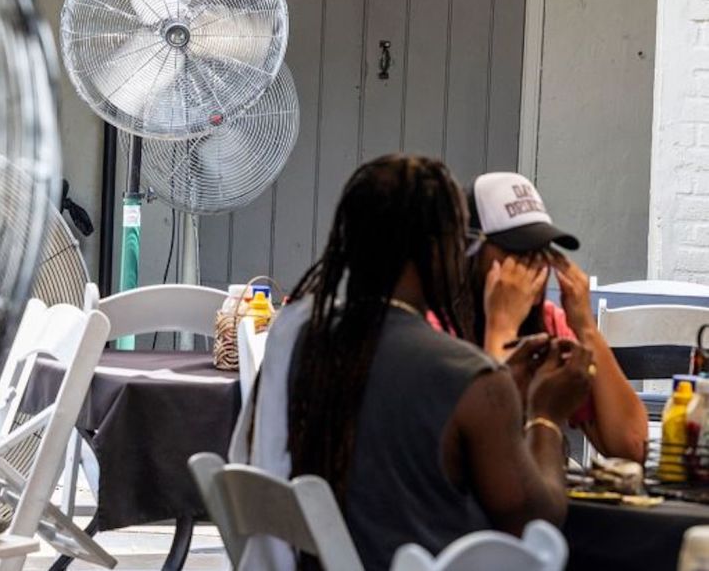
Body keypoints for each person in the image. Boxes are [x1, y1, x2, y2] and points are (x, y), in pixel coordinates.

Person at [230, 154, 593, 571]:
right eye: (464, 244)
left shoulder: (303, 340)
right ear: (438, 251)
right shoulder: (472, 379)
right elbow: (533, 521)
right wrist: (546, 415)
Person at [466, 172, 648, 462]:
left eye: (541, 251)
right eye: (516, 252)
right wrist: (502, 325)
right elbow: (485, 449)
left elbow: (631, 445)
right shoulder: (438, 324)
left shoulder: (550, 323)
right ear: (471, 252)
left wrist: (586, 326)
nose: (533, 267)